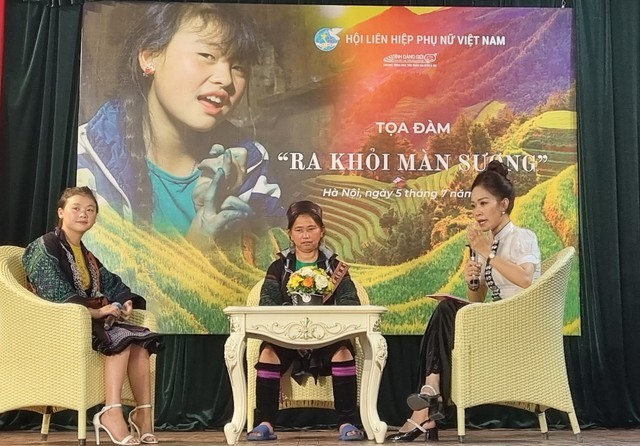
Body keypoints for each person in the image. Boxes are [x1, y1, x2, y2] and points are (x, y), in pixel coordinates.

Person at [77, 3, 282, 242]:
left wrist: (228, 216)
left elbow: (279, 266)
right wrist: (198, 244)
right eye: (207, 55)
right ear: (149, 57)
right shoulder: (87, 159)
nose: (226, 79)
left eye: (239, 67)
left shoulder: (251, 164)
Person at [386, 160, 541, 443]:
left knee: (447, 310)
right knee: (445, 308)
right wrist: (475, 282)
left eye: (484, 203)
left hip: (518, 324)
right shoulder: (485, 244)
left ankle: (428, 403)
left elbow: (526, 280)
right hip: (494, 319)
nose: (477, 212)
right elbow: (477, 299)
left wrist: (489, 255)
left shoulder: (522, 237)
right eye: (473, 206)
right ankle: (430, 395)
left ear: (504, 204)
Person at [23, 187, 164, 445]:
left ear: (96, 218)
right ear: (61, 212)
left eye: (90, 210)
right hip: (56, 325)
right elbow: (54, 293)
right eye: (76, 208)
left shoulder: (86, 255)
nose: (83, 214)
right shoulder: (44, 246)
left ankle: (143, 415)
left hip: (85, 321)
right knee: (120, 337)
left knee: (140, 341)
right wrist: (98, 311)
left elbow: (114, 285)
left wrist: (124, 303)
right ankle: (111, 412)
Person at [248, 200, 365, 442]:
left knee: (343, 352)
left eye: (311, 228)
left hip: (328, 337)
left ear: (322, 231)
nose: (305, 236)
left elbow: (351, 301)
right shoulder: (279, 267)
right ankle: (265, 423)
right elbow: (266, 302)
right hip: (286, 338)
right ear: (290, 234)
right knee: (268, 353)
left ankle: (347, 422)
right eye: (299, 230)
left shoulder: (335, 267)